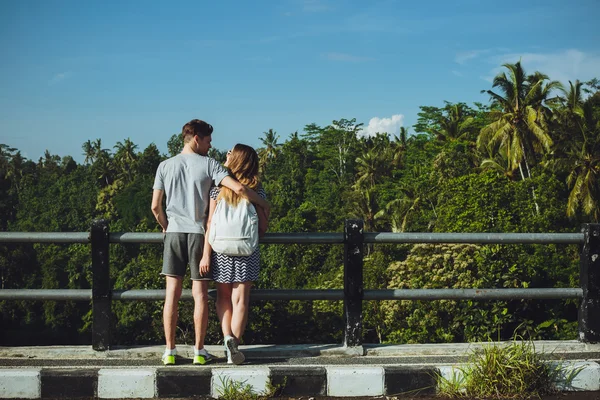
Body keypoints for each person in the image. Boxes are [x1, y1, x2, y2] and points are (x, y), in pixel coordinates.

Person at [151, 120, 269, 366]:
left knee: (171, 294)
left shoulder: (164, 165)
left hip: (175, 233)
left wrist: (165, 225)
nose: (210, 145)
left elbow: (155, 207)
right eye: (208, 140)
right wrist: (264, 203)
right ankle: (199, 350)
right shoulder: (210, 165)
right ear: (196, 138)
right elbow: (238, 188)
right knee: (201, 296)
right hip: (201, 235)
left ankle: (169, 351)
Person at [200, 144, 268, 365]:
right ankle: (234, 349)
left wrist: (205, 255)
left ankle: (227, 336)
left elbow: (210, 223)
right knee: (241, 301)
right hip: (247, 249)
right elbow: (263, 227)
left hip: (220, 249)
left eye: (230, 153)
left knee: (223, 298)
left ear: (237, 160)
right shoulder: (258, 192)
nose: (226, 155)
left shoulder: (217, 190)